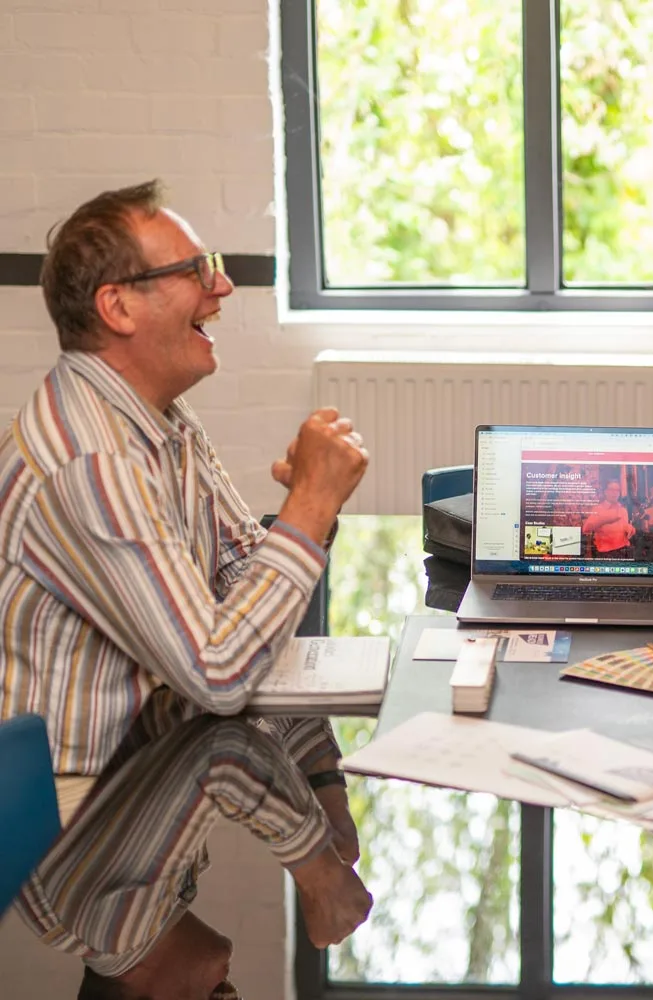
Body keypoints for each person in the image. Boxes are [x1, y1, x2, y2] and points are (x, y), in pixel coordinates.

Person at [0, 180, 372, 998]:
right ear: (119, 308)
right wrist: (306, 513)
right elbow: (219, 673)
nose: (223, 285)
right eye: (198, 268)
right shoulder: (92, 465)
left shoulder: (157, 425)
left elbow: (245, 597)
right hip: (81, 795)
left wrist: (320, 784)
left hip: (146, 761)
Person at [582, 479, 635, 558]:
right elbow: (585, 529)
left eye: (617, 490)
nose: (615, 493)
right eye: (611, 489)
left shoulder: (623, 510)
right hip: (607, 555)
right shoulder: (598, 509)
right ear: (605, 492)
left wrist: (631, 529)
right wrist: (605, 520)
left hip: (624, 551)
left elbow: (625, 527)